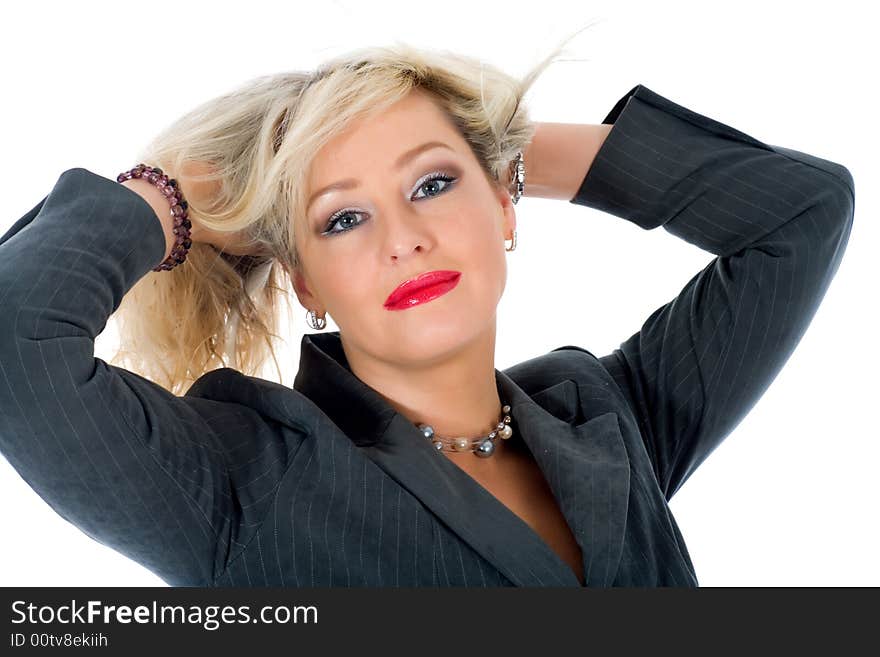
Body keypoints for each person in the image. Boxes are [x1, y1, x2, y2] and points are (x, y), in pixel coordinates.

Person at [0, 39, 854, 587]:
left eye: (434, 183)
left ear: (506, 207)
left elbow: (799, 214)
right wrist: (167, 197)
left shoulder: (610, 419)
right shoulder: (244, 477)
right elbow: (15, 338)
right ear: (306, 282)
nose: (402, 238)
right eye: (342, 216)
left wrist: (508, 147)